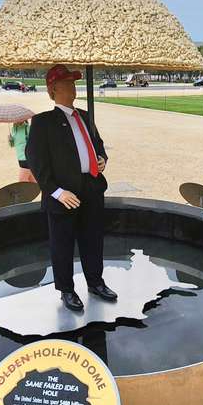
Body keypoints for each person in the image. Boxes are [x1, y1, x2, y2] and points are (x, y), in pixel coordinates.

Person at [26, 64, 117, 312]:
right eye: (66, 83)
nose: (72, 87)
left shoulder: (86, 116)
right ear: (52, 89)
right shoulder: (43, 122)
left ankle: (95, 282)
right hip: (63, 193)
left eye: (73, 82)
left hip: (91, 187)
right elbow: (36, 160)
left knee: (93, 239)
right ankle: (66, 289)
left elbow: (98, 144)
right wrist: (56, 192)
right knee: (62, 243)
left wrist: (102, 158)